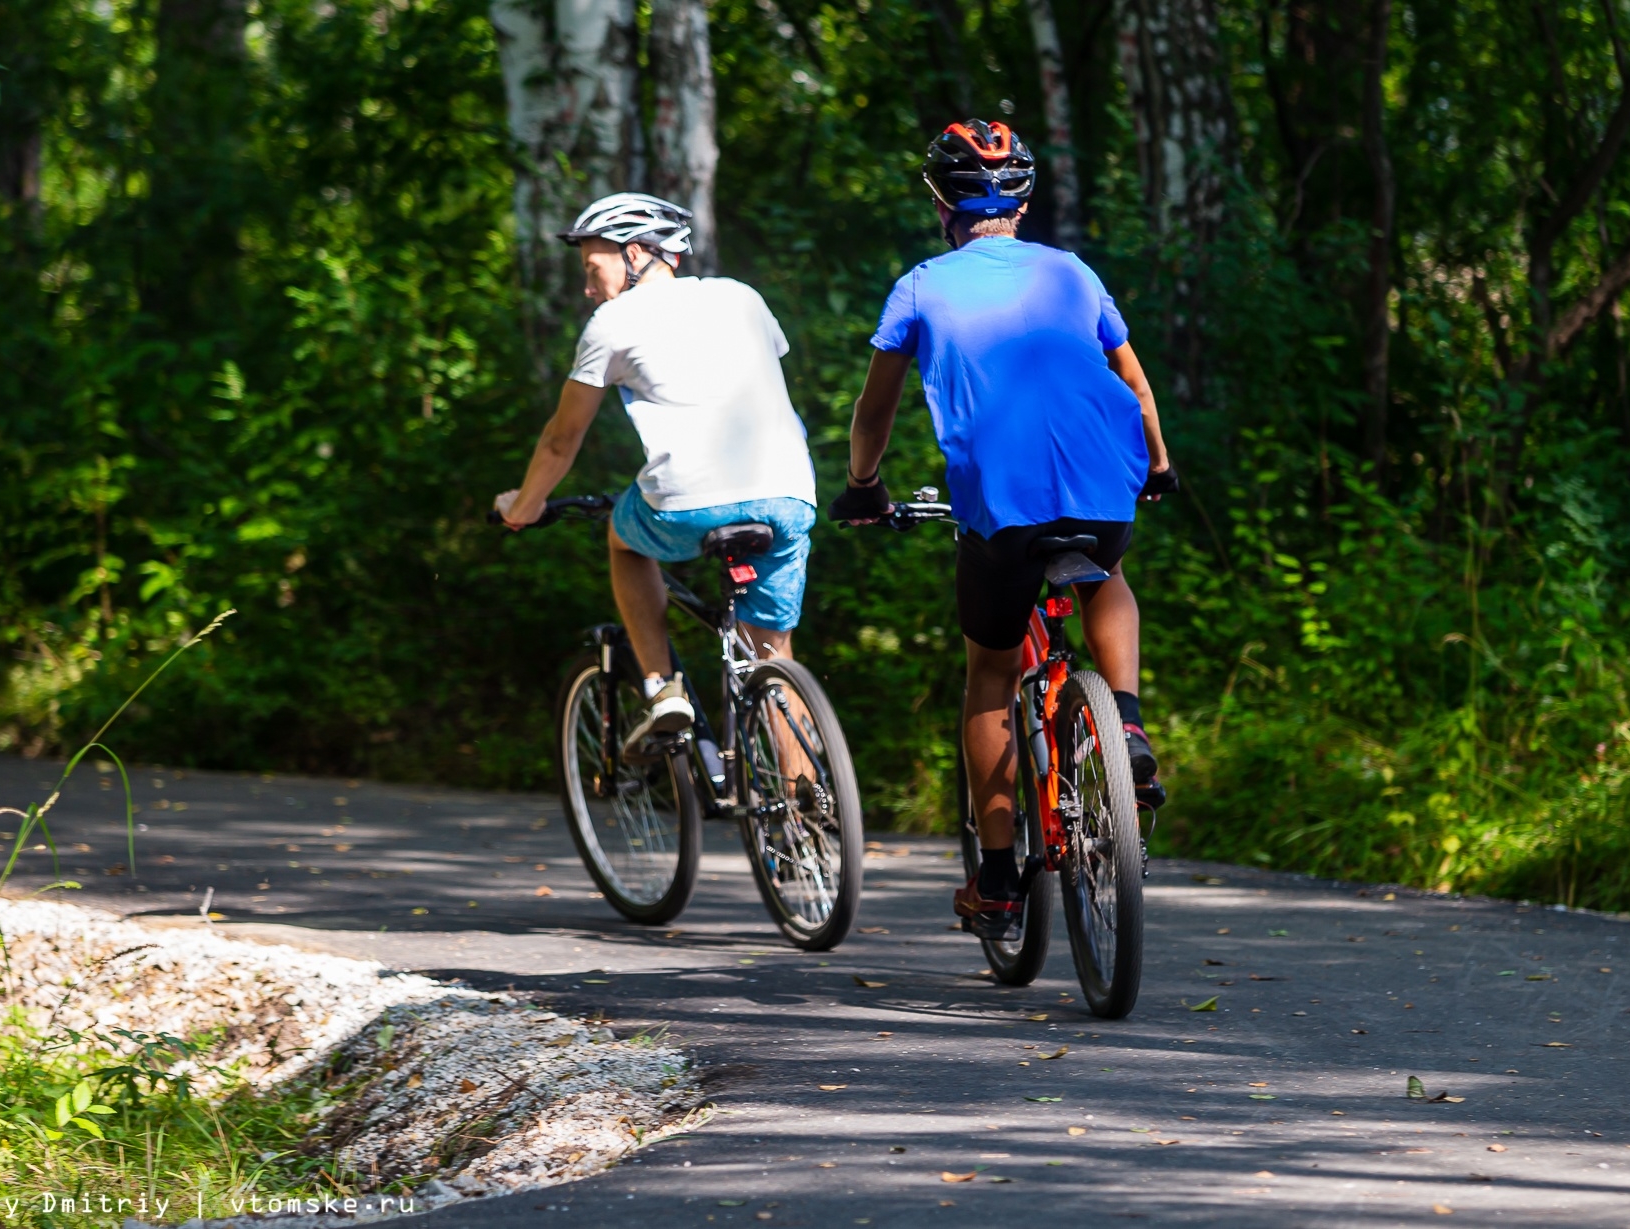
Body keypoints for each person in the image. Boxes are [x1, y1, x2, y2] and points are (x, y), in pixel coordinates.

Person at [829, 120, 1175, 940]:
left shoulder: (919, 285)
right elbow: (1135, 381)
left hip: (1001, 497)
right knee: (1107, 574)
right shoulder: (1073, 272)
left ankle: (996, 879)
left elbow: (874, 409)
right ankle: (1123, 717)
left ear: (941, 201)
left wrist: (863, 486)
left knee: (989, 670)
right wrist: (1157, 465)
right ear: (1022, 201)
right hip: (1103, 477)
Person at [495, 193, 817, 757]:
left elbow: (561, 439)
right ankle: (810, 826)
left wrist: (522, 506)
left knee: (624, 539)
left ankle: (660, 687)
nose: (589, 288)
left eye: (593, 269)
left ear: (637, 253)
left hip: (688, 501)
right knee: (772, 659)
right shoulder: (742, 297)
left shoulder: (611, 322)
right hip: (789, 494)